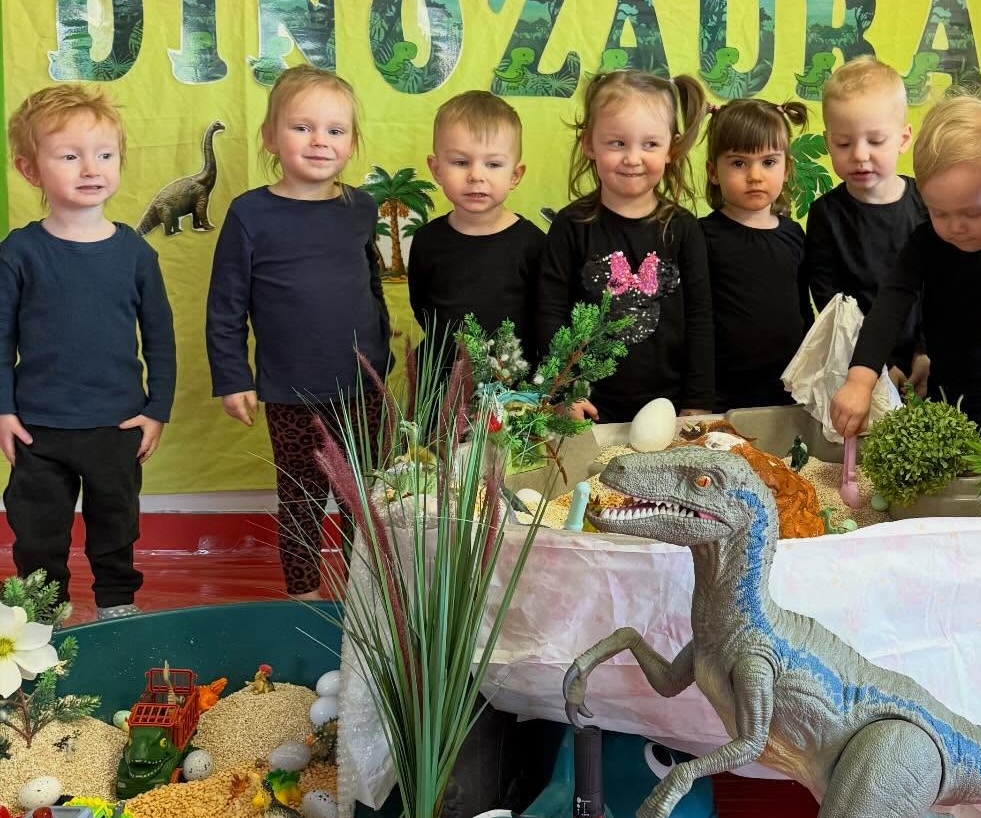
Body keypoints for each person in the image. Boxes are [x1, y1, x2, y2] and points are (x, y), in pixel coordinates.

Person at [205, 66, 390, 601]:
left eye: (335, 130)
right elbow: (226, 305)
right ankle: (303, 597)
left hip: (362, 388)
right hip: (291, 390)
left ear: (352, 142)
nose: (319, 141)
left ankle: (363, 595)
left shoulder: (360, 208)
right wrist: (232, 377)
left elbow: (371, 285)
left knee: (364, 498)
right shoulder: (250, 213)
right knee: (301, 498)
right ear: (270, 137)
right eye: (302, 127)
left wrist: (381, 359)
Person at [0, 86, 175, 619]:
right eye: (69, 156)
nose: (91, 168)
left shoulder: (136, 254)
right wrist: (4, 410)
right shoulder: (19, 252)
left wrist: (157, 409)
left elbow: (160, 338)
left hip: (116, 424)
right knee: (37, 530)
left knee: (116, 523)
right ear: (30, 170)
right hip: (38, 428)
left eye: (104, 154)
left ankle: (117, 604)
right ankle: (42, 615)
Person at [830, 94, 981, 436]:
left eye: (973, 212)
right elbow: (889, 306)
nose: (955, 227)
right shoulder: (926, 242)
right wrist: (860, 381)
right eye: (938, 212)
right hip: (943, 406)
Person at [536, 68, 714, 424]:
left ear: (671, 148)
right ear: (589, 143)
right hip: (589, 406)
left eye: (650, 144)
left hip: (669, 406)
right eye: (617, 143)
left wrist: (699, 399)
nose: (633, 158)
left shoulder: (683, 228)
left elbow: (700, 319)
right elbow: (550, 313)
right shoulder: (570, 226)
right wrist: (563, 389)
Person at [803, 57, 928, 383]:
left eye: (875, 141)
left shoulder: (928, 204)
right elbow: (832, 306)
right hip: (856, 365)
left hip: (927, 360)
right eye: (844, 143)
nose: (859, 154)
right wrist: (878, 364)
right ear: (828, 143)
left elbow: (941, 285)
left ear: (903, 138)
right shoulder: (825, 215)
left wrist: (924, 351)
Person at [406, 91, 545, 374]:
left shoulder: (533, 244)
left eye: (493, 164)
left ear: (515, 175)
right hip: (442, 380)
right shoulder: (426, 240)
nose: (476, 176)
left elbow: (542, 315)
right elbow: (423, 308)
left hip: (512, 383)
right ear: (436, 169)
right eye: (461, 162)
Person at [700, 98, 813, 410]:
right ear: (713, 171)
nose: (755, 175)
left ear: (787, 168)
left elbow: (804, 312)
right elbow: (695, 321)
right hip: (724, 393)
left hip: (788, 390)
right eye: (739, 163)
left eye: (768, 162)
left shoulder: (794, 234)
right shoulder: (701, 236)